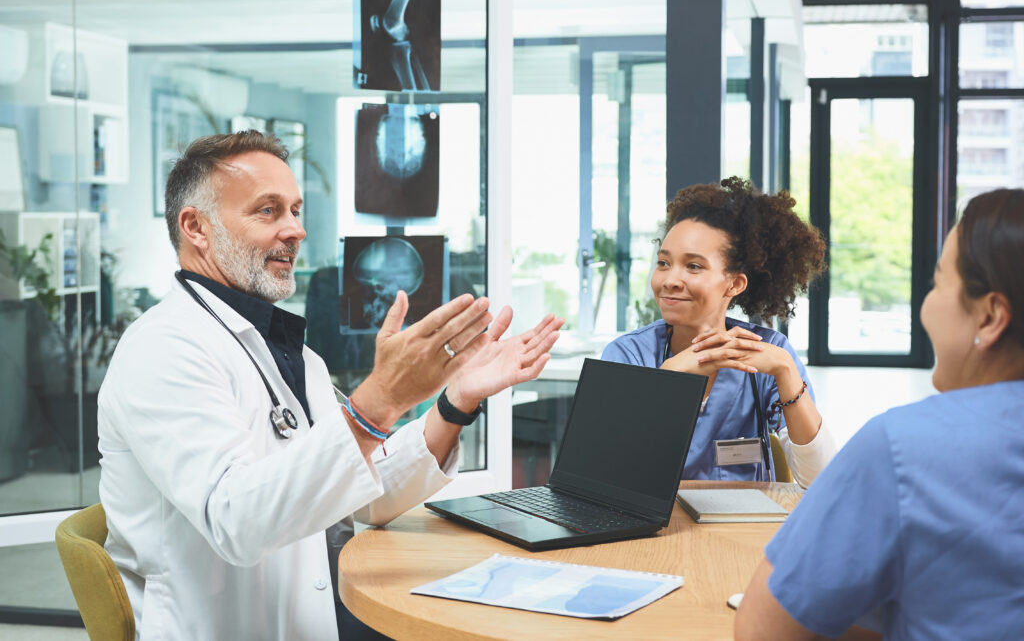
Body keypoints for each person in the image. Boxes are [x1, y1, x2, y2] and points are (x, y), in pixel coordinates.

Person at [97, 131, 563, 640]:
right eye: (268, 211)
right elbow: (236, 521)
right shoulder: (164, 347)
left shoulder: (289, 352)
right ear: (196, 227)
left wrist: (456, 401)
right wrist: (379, 403)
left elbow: (360, 496)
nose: (295, 230)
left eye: (296, 210)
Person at [735, 188, 1024, 640]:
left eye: (937, 282)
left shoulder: (907, 447)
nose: (927, 305)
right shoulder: (632, 351)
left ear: (989, 317)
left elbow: (763, 629)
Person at [602, 177, 835, 487]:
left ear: (735, 284)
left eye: (694, 266)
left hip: (743, 528)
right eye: (663, 263)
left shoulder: (769, 352)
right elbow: (608, 474)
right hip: (652, 529)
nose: (670, 279)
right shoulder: (627, 355)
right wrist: (670, 376)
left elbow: (820, 479)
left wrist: (786, 372)